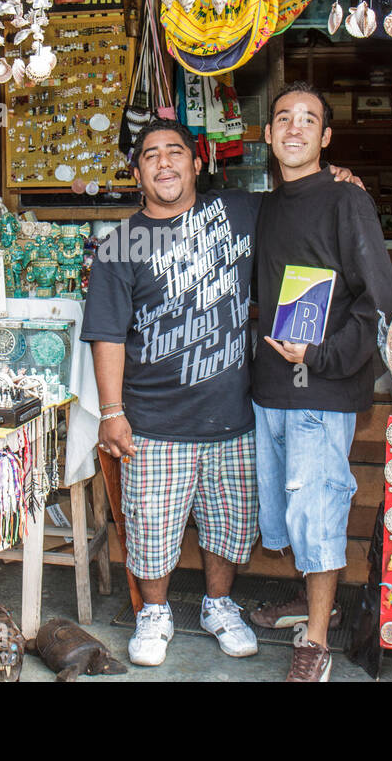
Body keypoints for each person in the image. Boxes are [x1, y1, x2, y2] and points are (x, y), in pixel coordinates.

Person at [81, 120, 261, 667]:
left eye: (175, 152)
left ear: (196, 163)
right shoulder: (120, 245)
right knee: (152, 529)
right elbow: (108, 332)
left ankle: (218, 604)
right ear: (136, 173)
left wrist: (338, 176)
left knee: (229, 525)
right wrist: (112, 412)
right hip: (154, 419)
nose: (164, 163)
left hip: (233, 414)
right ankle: (154, 613)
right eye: (151, 155)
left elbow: (303, 202)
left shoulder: (238, 212)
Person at [250, 81, 392, 681]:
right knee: (290, 512)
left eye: (308, 120)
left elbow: (380, 301)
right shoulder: (263, 206)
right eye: (283, 118)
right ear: (267, 134)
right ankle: (316, 601)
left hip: (324, 384)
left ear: (326, 137)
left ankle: (315, 641)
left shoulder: (347, 202)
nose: (293, 128)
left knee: (319, 507)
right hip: (270, 385)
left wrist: (327, 354)